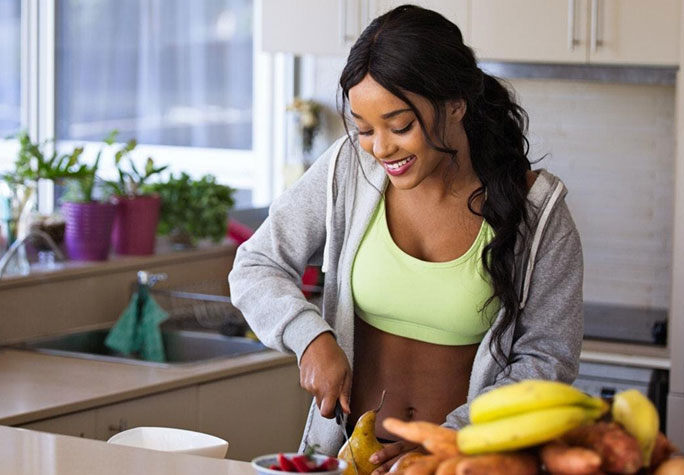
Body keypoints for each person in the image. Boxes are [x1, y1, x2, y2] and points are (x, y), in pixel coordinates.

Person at [229, 4, 583, 473]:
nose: (381, 149)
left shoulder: (537, 211)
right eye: (364, 129)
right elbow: (255, 265)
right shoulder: (348, 169)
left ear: (455, 103)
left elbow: (546, 361)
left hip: (463, 465)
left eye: (400, 126)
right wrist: (311, 336)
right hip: (346, 460)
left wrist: (447, 442)